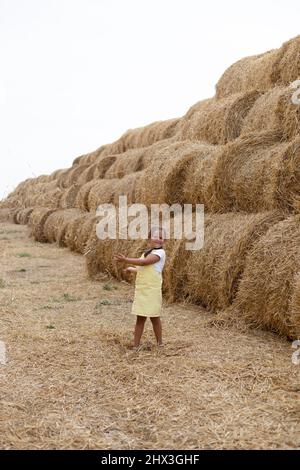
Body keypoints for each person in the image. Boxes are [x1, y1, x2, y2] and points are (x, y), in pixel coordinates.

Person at [114, 226, 166, 351]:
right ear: (149, 240)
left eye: (161, 237)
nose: (158, 239)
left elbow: (144, 263)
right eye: (155, 236)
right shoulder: (147, 253)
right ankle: (135, 346)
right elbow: (143, 268)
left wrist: (126, 260)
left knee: (155, 317)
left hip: (152, 291)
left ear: (164, 241)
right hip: (143, 291)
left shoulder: (160, 253)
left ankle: (160, 344)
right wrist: (131, 269)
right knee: (140, 318)